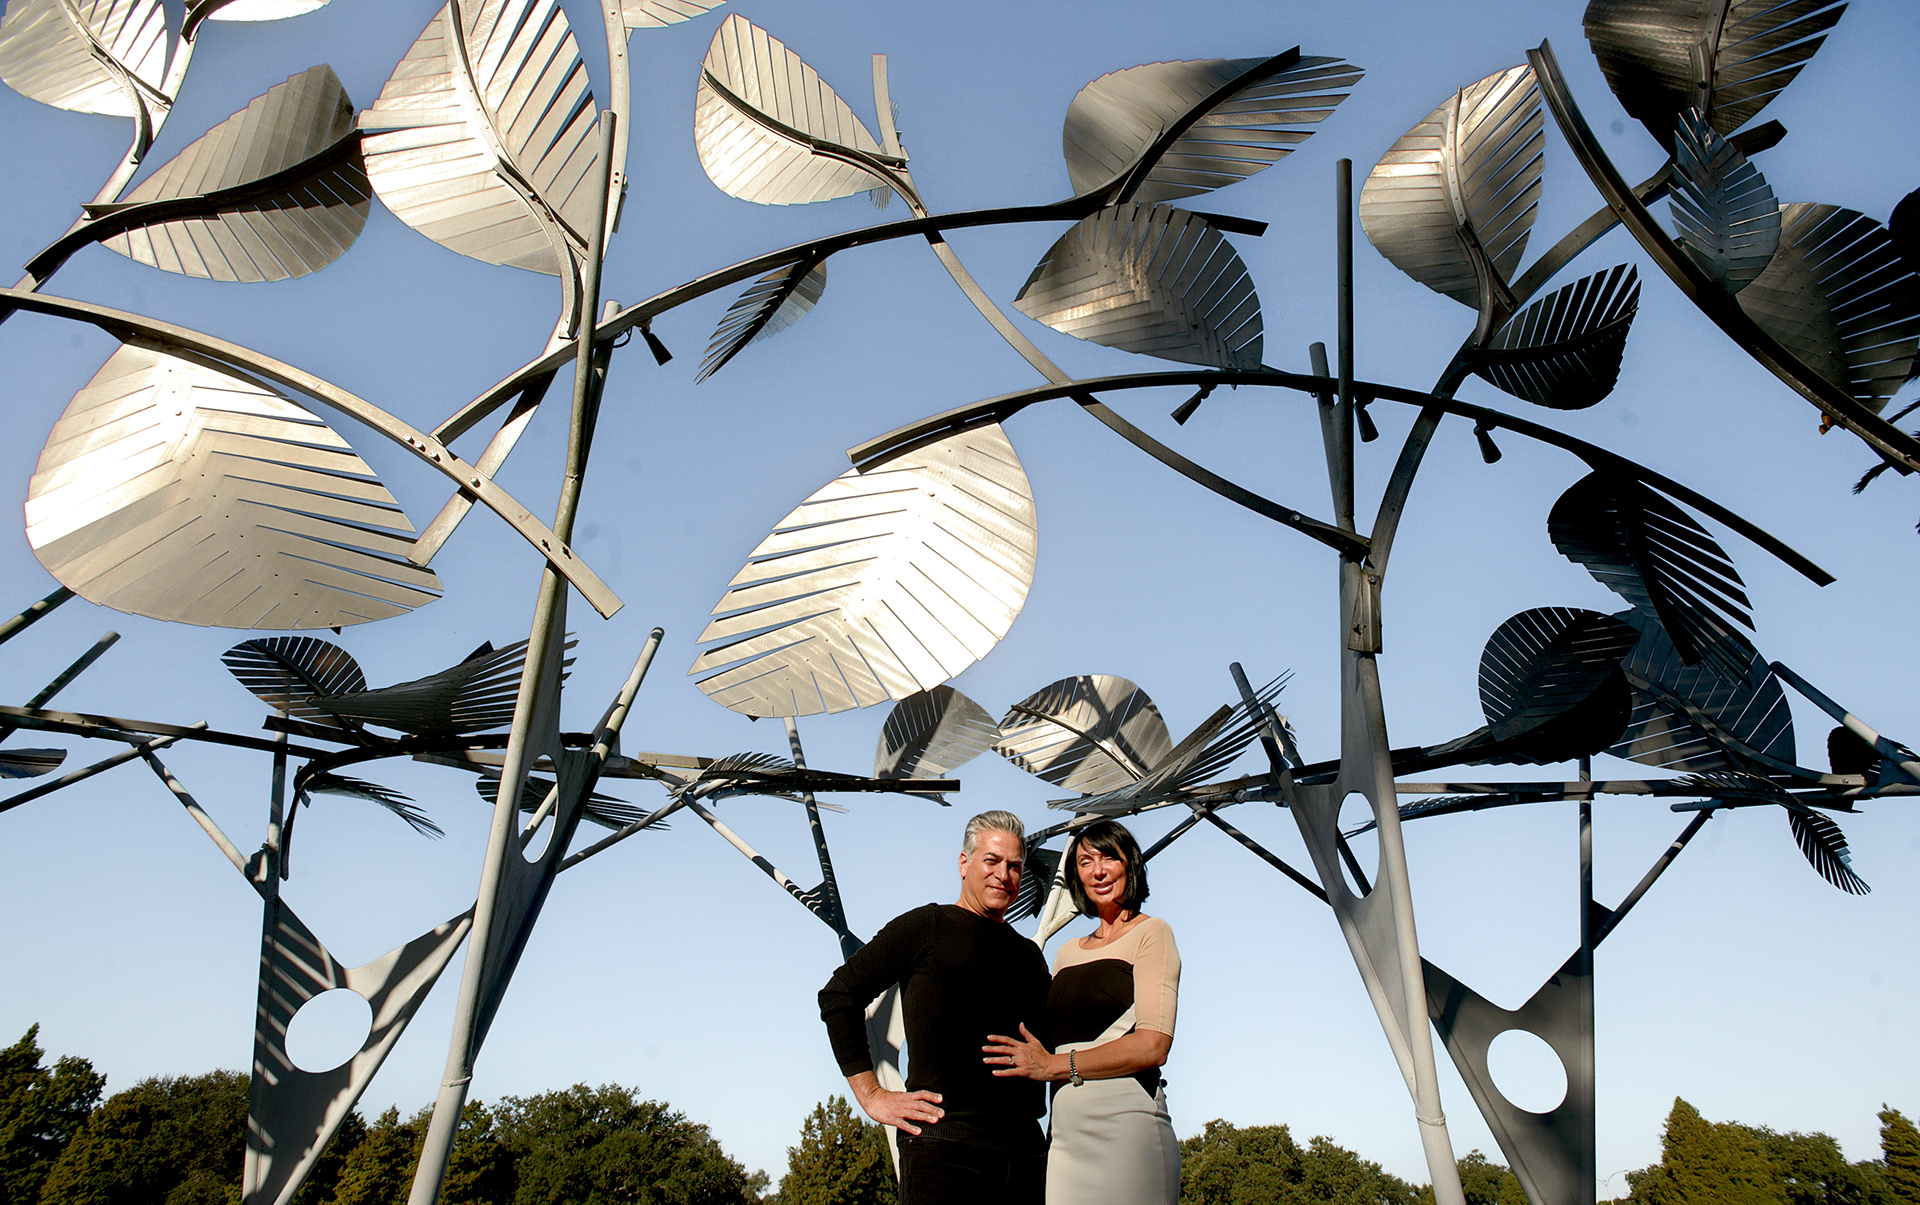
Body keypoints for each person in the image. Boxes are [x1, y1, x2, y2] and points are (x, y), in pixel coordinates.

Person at [818, 810, 1052, 1204]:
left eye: (1014, 866)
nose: (1003, 874)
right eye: (991, 861)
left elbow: (1053, 1045)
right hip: (946, 1150)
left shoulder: (1029, 956)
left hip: (1026, 1156)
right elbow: (839, 995)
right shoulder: (926, 927)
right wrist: (872, 1095)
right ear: (964, 863)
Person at [982, 819, 1181, 1205]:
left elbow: (1153, 1046)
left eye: (1110, 857)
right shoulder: (1066, 952)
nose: (1099, 871)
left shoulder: (1152, 933)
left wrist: (1055, 1067)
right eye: (1086, 861)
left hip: (1129, 1131)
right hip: (1066, 1140)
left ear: (1131, 866)